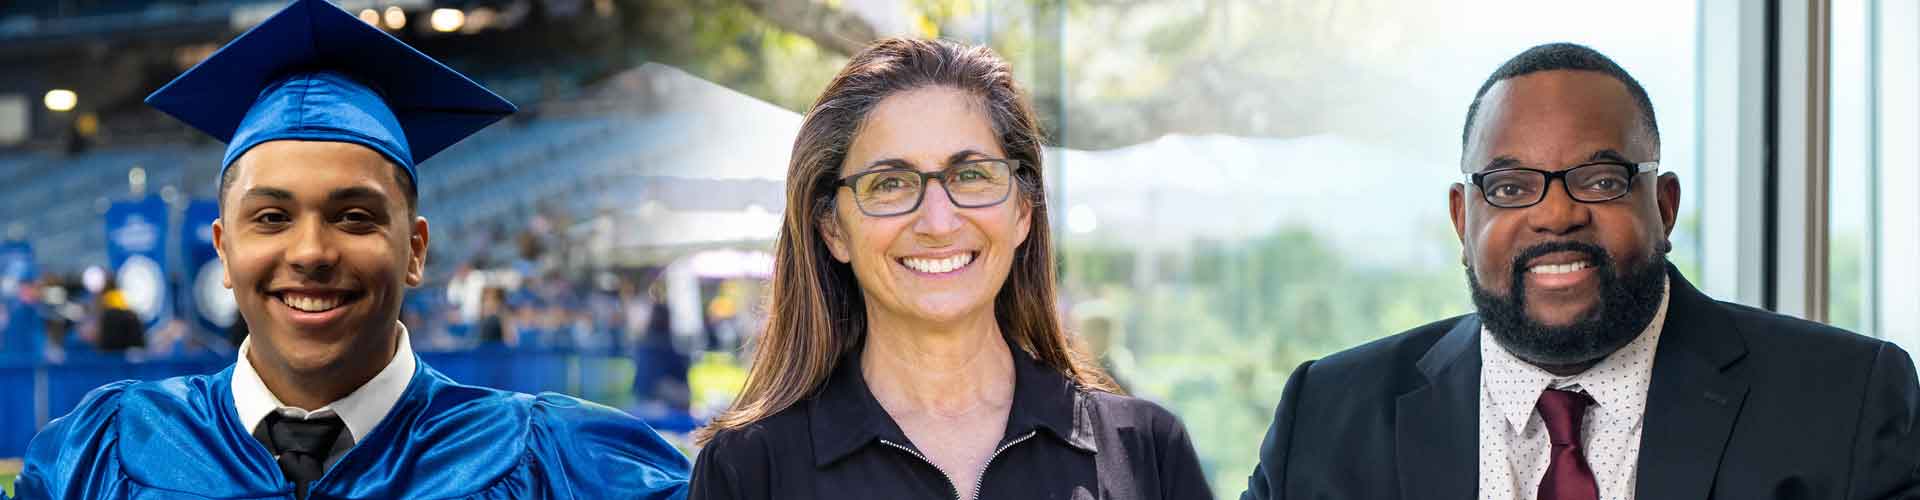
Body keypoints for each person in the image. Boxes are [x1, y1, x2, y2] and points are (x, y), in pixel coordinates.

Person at [13, 1, 689, 498]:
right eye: (272, 216)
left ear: (415, 249)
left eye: (355, 216)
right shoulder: (105, 455)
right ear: (223, 249)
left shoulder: (551, 467)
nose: (311, 251)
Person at [1240, 42, 1920, 500]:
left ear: (1663, 204)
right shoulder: (1327, 412)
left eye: (1599, 180)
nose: (1556, 214)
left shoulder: (1845, 401)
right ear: (1462, 218)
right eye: (1509, 187)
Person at [688, 37, 1210, 500]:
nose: (938, 222)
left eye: (971, 175)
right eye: (889, 183)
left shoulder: (1146, 453)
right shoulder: (751, 470)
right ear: (834, 230)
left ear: (1023, 211)